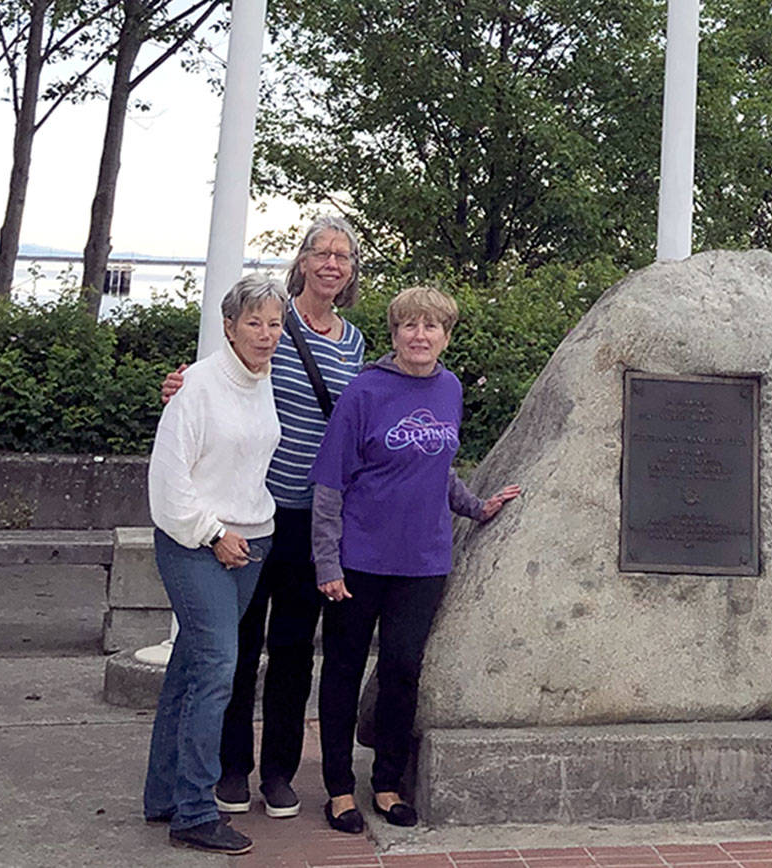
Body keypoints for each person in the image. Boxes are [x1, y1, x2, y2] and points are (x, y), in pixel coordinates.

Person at [162, 216, 368, 819]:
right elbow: (219, 381)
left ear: (352, 271)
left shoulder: (353, 342)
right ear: (301, 261)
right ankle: (230, 767)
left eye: (344, 255)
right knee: (239, 645)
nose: (332, 263)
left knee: (295, 647)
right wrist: (179, 383)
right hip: (251, 513)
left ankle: (278, 771)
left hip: (313, 518)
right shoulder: (271, 319)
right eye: (321, 252)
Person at [310, 286, 521, 833]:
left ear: (446, 336)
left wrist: (476, 507)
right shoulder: (365, 392)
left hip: (423, 561)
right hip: (359, 559)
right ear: (395, 333)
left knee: (403, 670)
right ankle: (338, 788)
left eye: (431, 327)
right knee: (342, 670)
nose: (420, 336)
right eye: (410, 326)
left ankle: (385, 782)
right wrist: (327, 565)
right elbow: (331, 485)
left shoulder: (450, 388)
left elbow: (436, 465)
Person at [143, 275, 288, 855]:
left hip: (254, 543)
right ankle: (196, 812)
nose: (266, 334)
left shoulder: (266, 380)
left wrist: (245, 533)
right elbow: (169, 482)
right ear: (228, 326)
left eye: (274, 323)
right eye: (253, 322)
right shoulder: (196, 386)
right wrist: (213, 532)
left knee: (188, 668)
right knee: (217, 668)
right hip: (196, 543)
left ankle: (164, 796)